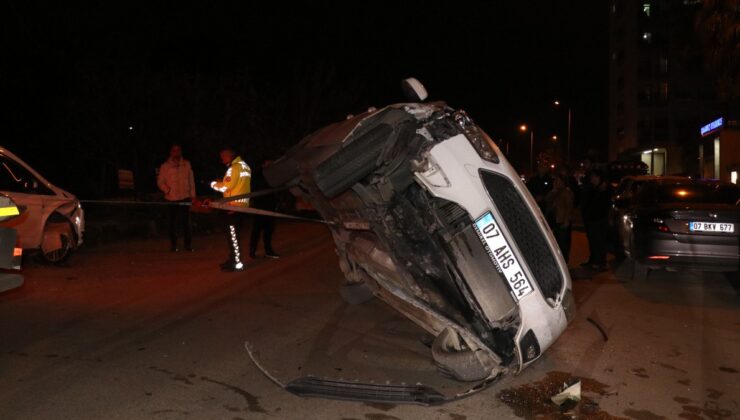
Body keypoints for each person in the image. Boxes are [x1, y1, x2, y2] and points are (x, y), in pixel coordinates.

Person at [211, 147, 251, 272]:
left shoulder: (234, 168)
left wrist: (213, 184)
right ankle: (233, 259)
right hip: (242, 205)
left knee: (233, 236)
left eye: (223, 158)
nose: (222, 161)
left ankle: (236, 262)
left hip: (233, 206)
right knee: (235, 236)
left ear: (228, 156)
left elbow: (226, 187)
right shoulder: (245, 166)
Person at [157, 144, 196, 252]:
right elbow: (160, 182)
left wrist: (192, 195)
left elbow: (191, 180)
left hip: (185, 197)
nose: (176, 153)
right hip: (171, 198)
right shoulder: (165, 166)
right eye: (174, 151)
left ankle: (188, 245)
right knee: (172, 223)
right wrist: (167, 190)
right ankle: (174, 245)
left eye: (178, 150)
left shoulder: (186, 164)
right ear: (171, 153)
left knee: (186, 223)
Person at [580, 169, 611, 271]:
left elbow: (603, 205)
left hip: (599, 218)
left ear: (598, 177)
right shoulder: (592, 188)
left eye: (593, 176)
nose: (591, 179)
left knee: (599, 241)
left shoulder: (603, 188)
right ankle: (595, 260)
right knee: (593, 240)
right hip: (591, 218)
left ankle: (599, 262)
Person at [249, 160, 279, 259]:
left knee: (268, 230)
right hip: (260, 206)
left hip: (270, 205)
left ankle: (268, 250)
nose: (270, 164)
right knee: (257, 230)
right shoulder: (258, 175)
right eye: (268, 162)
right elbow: (255, 189)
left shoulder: (272, 174)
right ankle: (252, 251)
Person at [544, 173, 574, 263]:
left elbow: (569, 207)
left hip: (561, 219)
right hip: (554, 219)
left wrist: (567, 220)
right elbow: (546, 200)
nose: (556, 183)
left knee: (563, 243)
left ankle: (564, 261)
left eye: (558, 181)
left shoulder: (567, 192)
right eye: (555, 181)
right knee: (556, 242)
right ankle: (559, 260)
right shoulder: (555, 192)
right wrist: (553, 190)